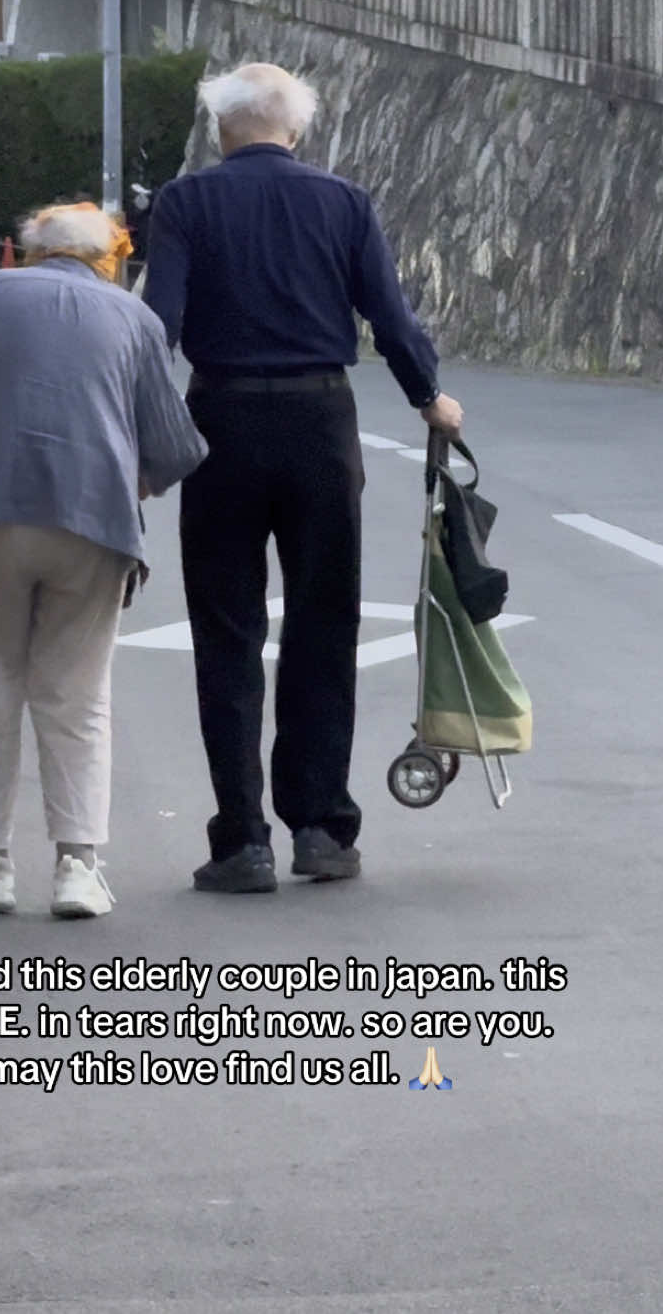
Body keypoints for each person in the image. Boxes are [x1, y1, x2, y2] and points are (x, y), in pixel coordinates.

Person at [143, 62, 463, 894]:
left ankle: (241, 840)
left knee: (227, 628)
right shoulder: (344, 202)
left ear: (222, 129)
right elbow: (389, 316)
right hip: (321, 422)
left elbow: (157, 328)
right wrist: (429, 398)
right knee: (324, 620)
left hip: (220, 421)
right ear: (296, 129)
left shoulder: (185, 203)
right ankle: (320, 826)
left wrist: (136, 432)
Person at [0, 201, 208, 919]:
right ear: (108, 257)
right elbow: (176, 444)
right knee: (77, 695)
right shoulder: (134, 318)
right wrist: (136, 479)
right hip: (94, 521)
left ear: (31, 251)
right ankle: (77, 866)